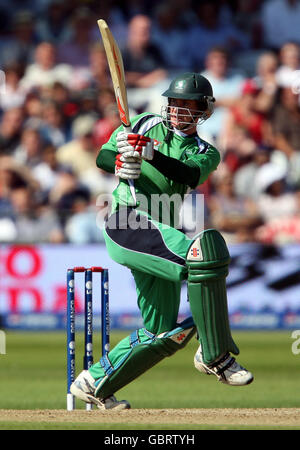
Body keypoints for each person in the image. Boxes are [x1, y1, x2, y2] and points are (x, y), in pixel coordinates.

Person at [70, 72, 254, 410]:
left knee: (162, 333)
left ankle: (93, 382)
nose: (179, 110)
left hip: (159, 233)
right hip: (127, 221)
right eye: (175, 103)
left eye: (188, 105)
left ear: (204, 111)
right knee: (204, 256)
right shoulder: (144, 123)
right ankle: (216, 355)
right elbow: (102, 156)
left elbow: (188, 175)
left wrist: (152, 156)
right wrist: (121, 163)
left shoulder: (206, 151)